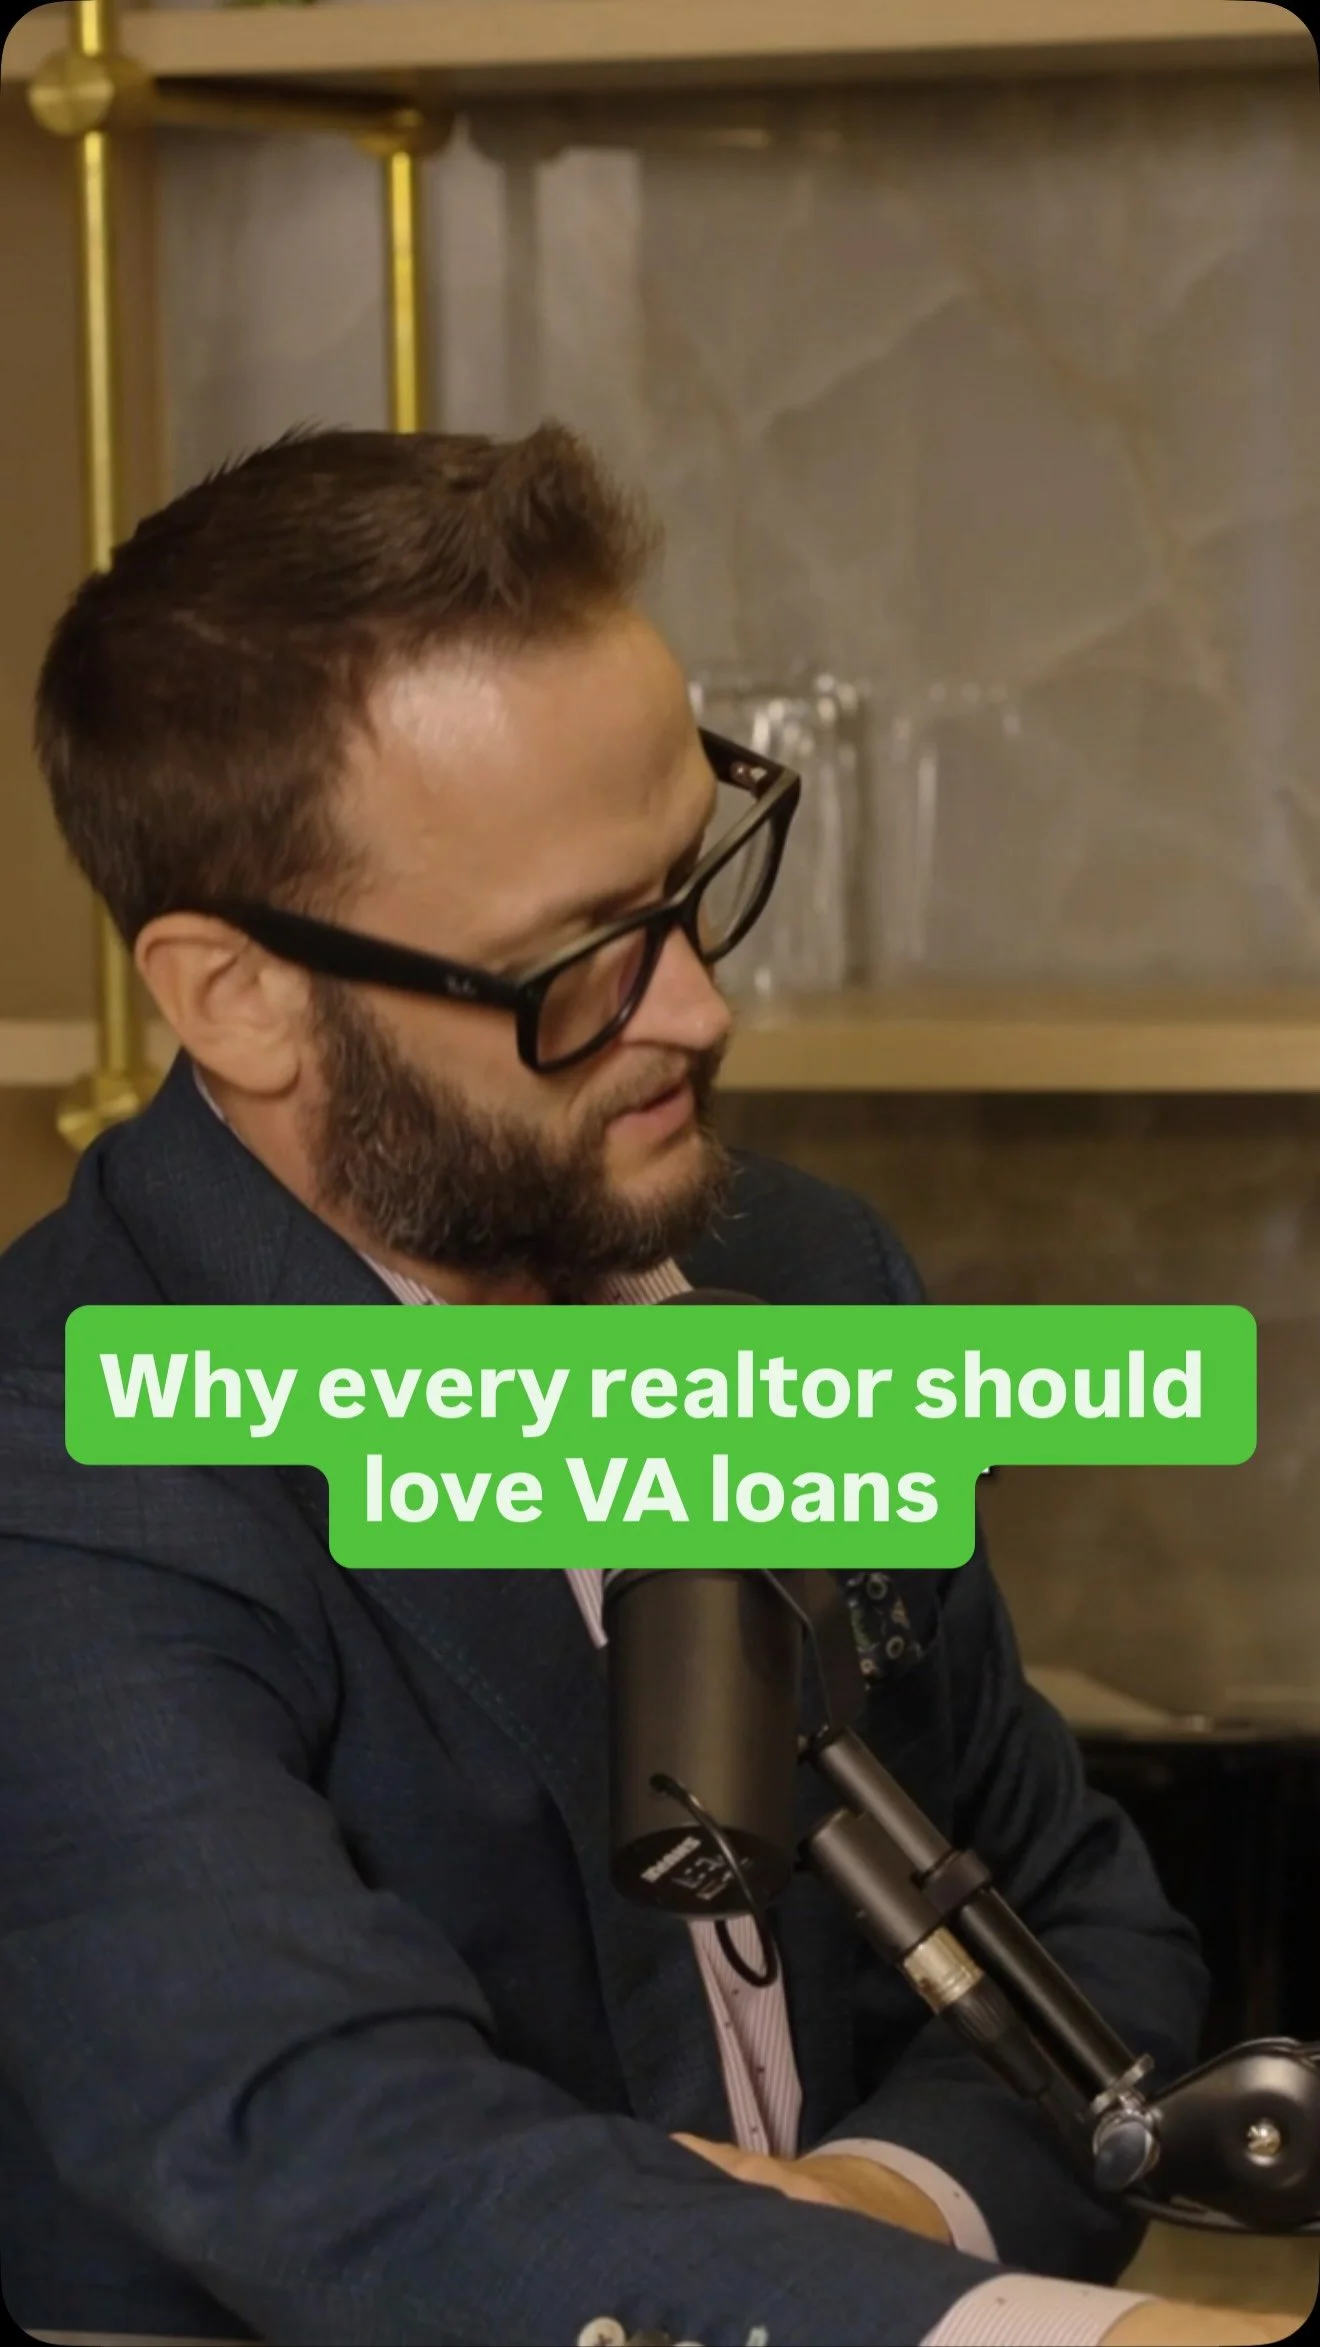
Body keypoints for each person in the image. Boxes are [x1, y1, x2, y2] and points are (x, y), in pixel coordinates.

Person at [0, 426, 1302, 2347]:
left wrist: (890, 2201)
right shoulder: (64, 1473)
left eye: (695, 883)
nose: (698, 1004)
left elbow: (1076, 1924)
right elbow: (348, 2152)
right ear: (238, 996)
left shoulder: (810, 1271)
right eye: (581, 960)